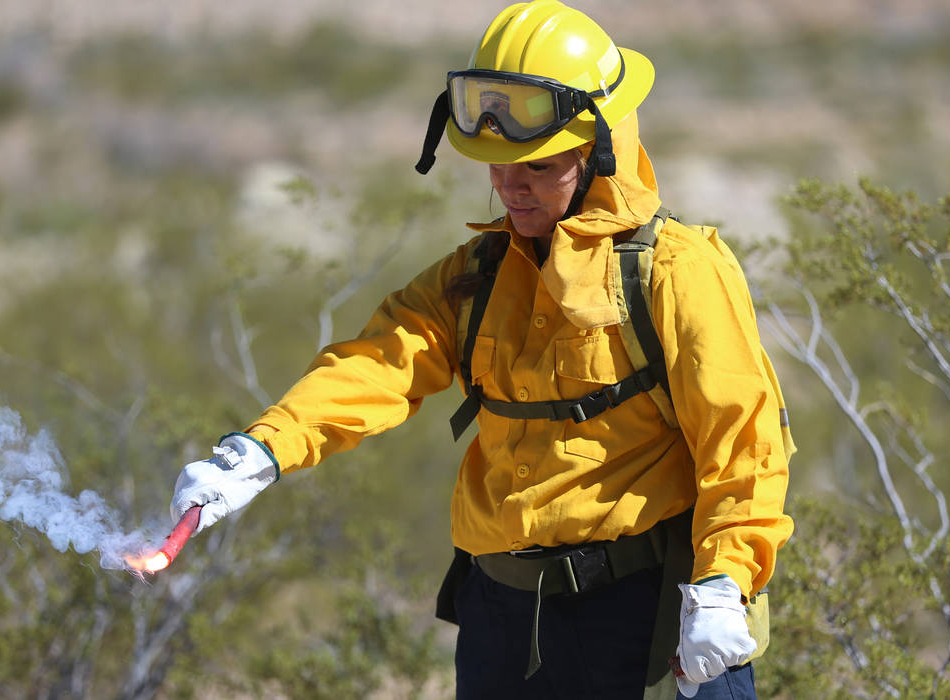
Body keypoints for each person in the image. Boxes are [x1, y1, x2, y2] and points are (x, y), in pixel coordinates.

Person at [170, 1, 795, 698]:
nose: (507, 184)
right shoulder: (477, 274)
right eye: (496, 165)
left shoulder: (678, 271)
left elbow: (744, 445)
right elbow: (381, 360)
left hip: (647, 617)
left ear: (598, 149)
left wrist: (722, 583)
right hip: (502, 621)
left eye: (535, 164)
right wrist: (260, 450)